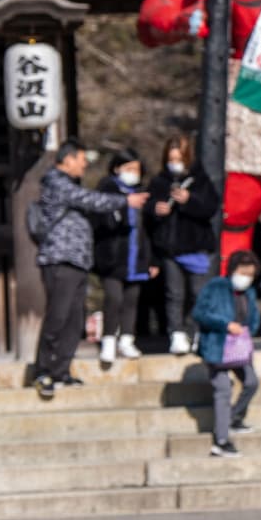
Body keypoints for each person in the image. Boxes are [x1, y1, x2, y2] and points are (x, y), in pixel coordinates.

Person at [33, 139, 147, 400]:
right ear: (69, 159)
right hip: (59, 258)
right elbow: (89, 199)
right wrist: (124, 201)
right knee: (58, 316)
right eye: (82, 160)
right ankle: (44, 371)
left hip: (78, 261)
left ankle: (61, 370)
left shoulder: (70, 183)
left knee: (74, 320)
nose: (84, 166)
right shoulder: (55, 181)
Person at [149, 133, 221, 356]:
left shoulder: (200, 181)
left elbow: (211, 208)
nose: (174, 163)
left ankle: (197, 331)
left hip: (197, 248)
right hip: (170, 249)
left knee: (198, 293)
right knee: (174, 294)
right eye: (171, 159)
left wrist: (190, 201)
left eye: (178, 158)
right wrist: (155, 210)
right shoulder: (159, 182)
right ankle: (176, 334)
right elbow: (148, 211)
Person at [193, 251, 261, 458]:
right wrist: (224, 325)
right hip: (216, 346)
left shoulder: (249, 293)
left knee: (251, 382)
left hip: (239, 347)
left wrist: (249, 329)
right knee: (223, 389)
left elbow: (254, 317)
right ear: (233, 270)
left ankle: (234, 417)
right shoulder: (215, 287)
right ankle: (221, 440)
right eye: (243, 273)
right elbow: (199, 313)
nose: (246, 278)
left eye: (250, 274)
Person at [91, 148, 156, 367]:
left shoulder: (143, 194)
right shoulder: (106, 190)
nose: (133, 173)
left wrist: (151, 260)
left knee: (131, 301)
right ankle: (108, 339)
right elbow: (103, 223)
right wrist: (123, 204)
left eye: (136, 169)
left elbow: (146, 232)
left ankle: (127, 339)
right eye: (129, 168)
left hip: (136, 257)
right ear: (118, 168)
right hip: (111, 256)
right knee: (114, 298)